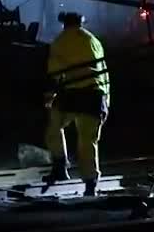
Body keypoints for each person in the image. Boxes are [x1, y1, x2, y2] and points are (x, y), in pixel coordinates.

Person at [44, 12, 110, 196]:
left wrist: (50, 95)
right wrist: (106, 103)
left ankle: (60, 166)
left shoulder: (60, 41)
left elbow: (54, 74)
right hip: (96, 96)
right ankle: (90, 184)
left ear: (64, 24)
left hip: (72, 95)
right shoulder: (94, 40)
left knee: (54, 127)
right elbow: (104, 74)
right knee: (88, 142)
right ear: (81, 23)